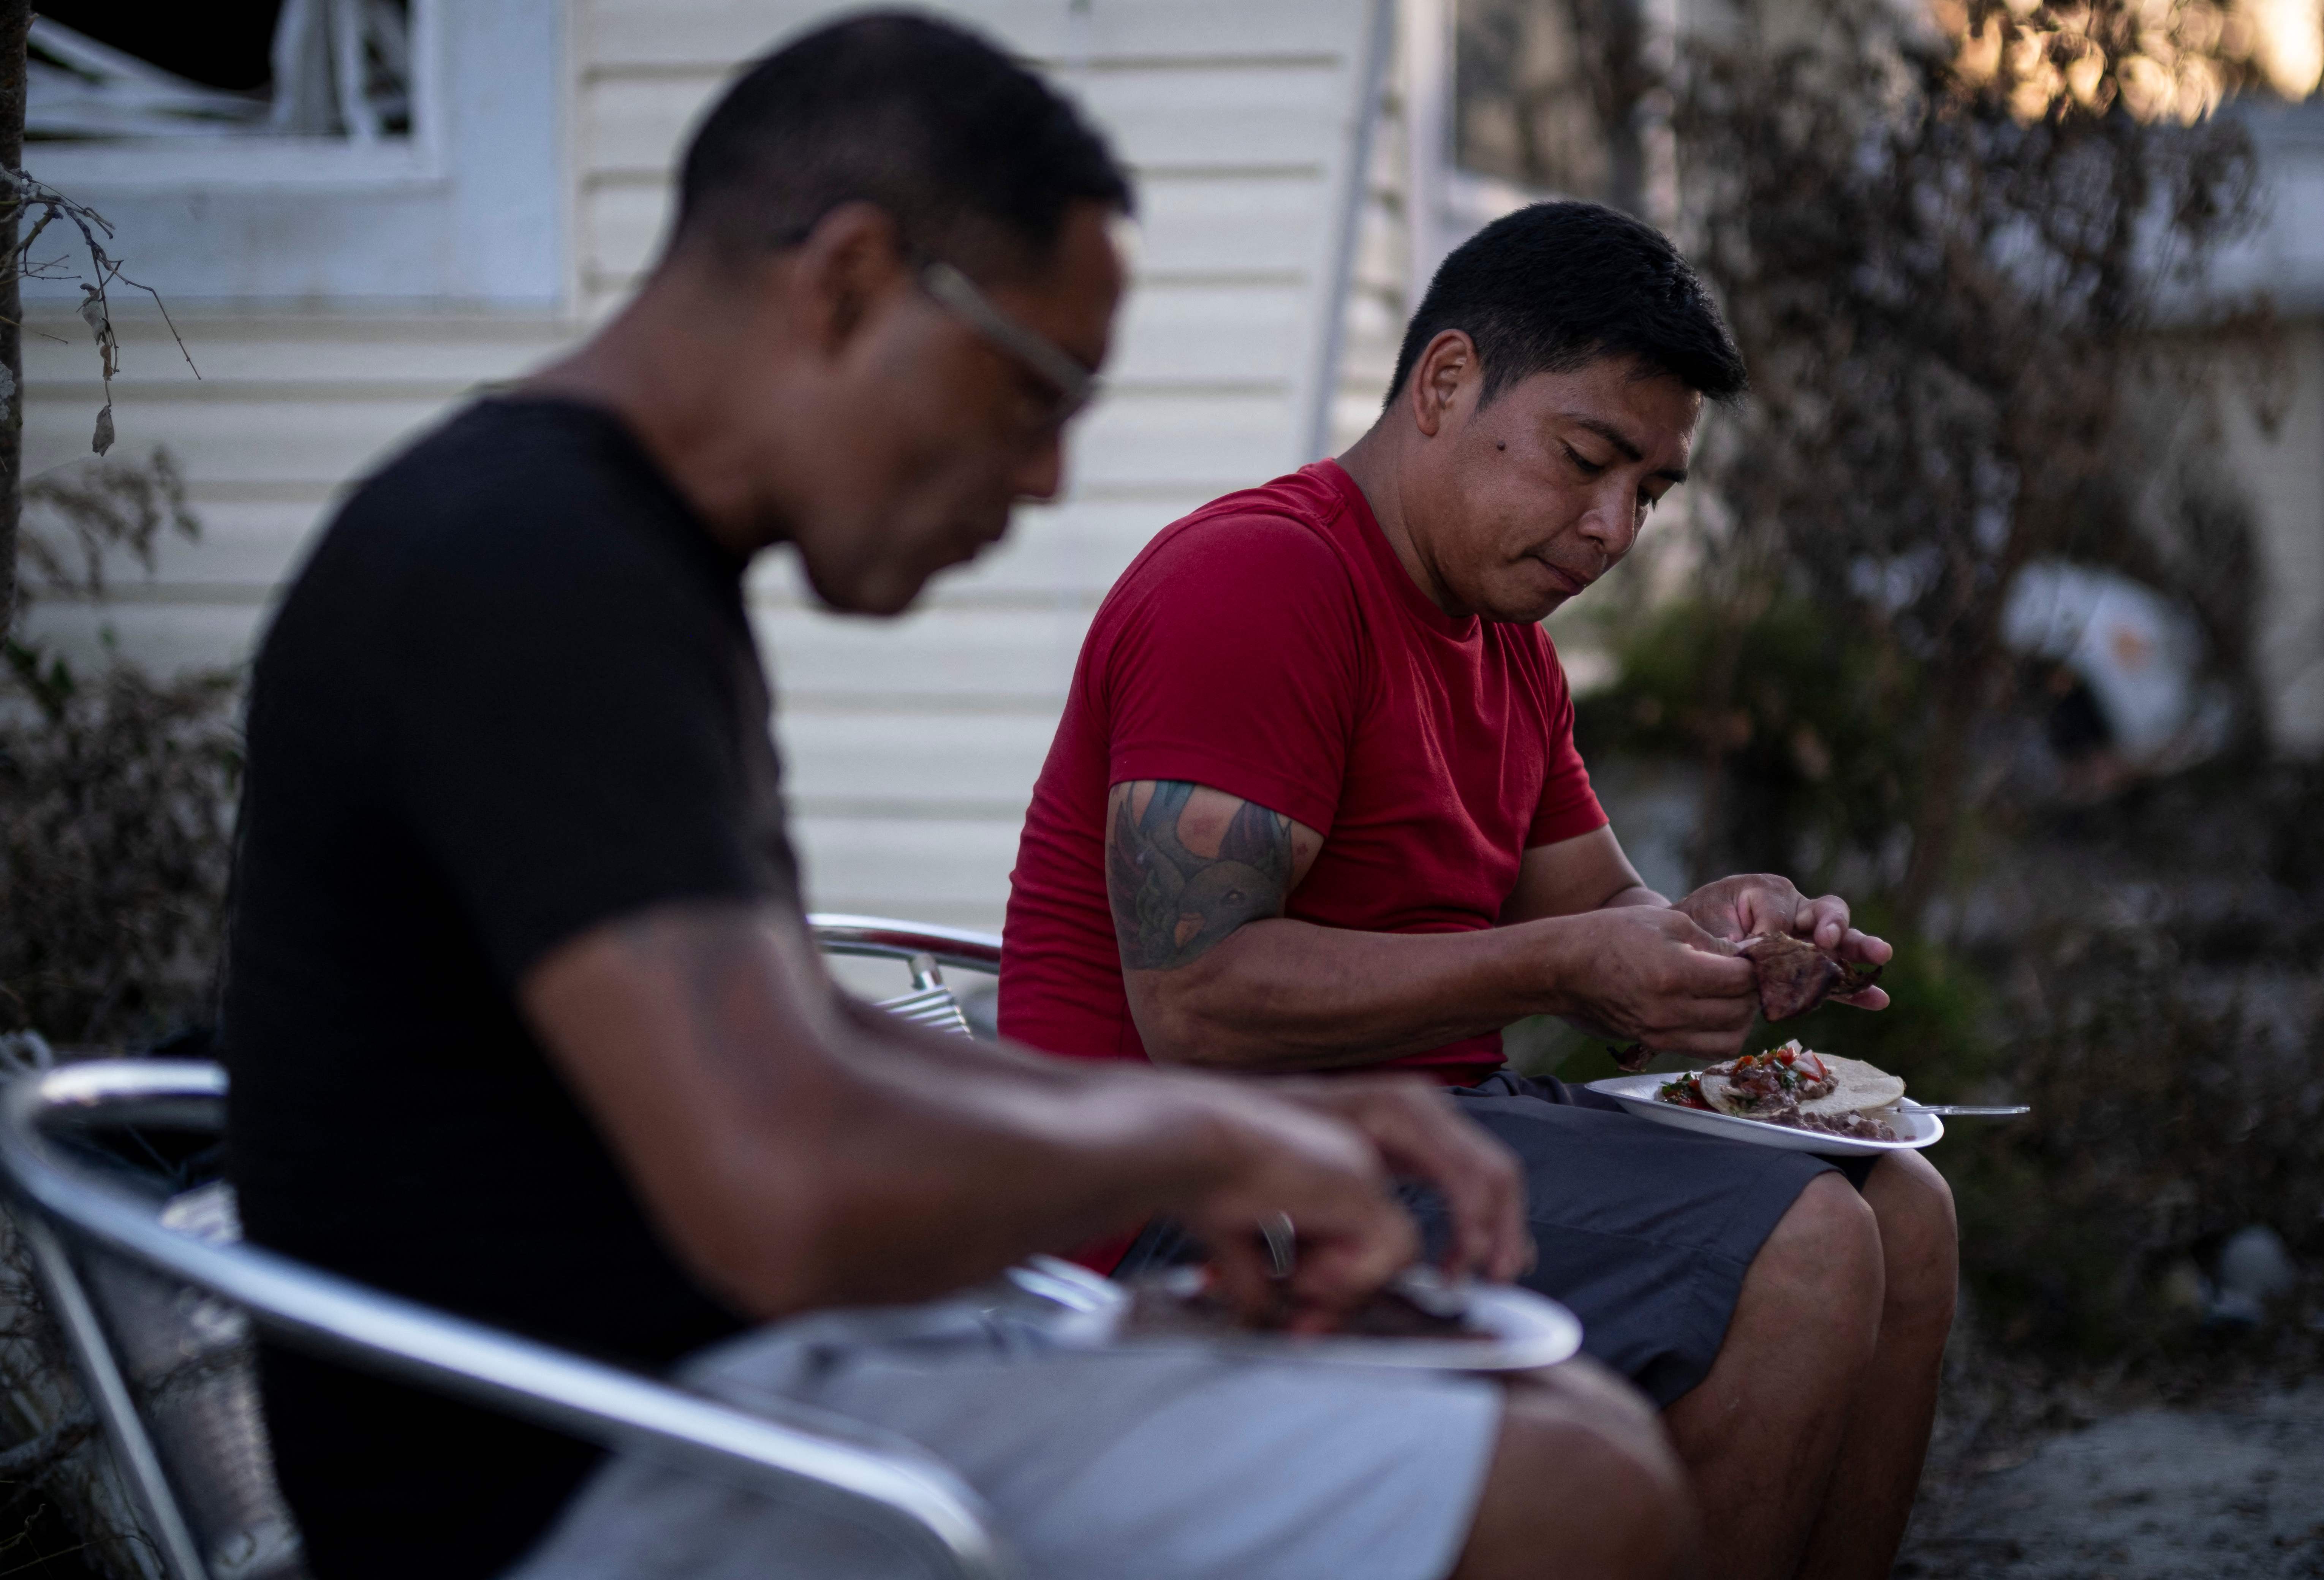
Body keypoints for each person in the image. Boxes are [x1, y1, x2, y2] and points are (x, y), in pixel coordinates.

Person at [219, 17, 1696, 1580]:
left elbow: (791, 1042)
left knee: (1563, 1429)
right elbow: (784, 1182)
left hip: (704, 1383)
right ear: (849, 284)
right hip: (579, 1472)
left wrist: (1204, 1132)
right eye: (1037, 387)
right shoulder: (531, 569)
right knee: (1571, 1486)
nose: (1050, 479)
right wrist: (1196, 1142)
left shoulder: (607, 553)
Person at [998, 200, 1961, 1580]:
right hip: (1185, 1194)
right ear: (1447, 384)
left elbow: (1609, 916)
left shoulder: (1504, 646)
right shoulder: (1260, 581)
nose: (1613, 525)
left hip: (1415, 1141)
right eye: (1588, 460)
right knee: (1804, 1251)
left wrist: (1726, 939)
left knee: (1899, 1206)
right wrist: (1559, 967)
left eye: (1651, 492)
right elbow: (1198, 1004)